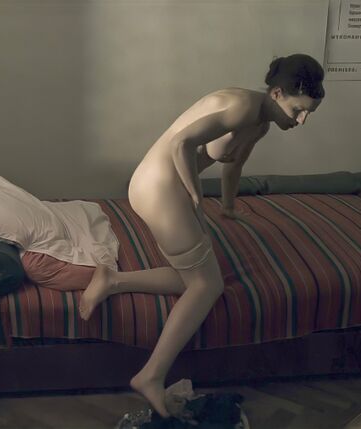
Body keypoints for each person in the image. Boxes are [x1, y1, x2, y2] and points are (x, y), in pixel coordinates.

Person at [78, 53, 325, 418]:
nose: (302, 120)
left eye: (308, 114)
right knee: (207, 286)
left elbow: (233, 167)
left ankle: (113, 280)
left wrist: (227, 207)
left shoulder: (260, 123)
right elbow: (181, 144)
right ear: (277, 93)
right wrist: (196, 197)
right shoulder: (242, 107)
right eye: (298, 110)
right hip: (160, 188)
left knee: (198, 279)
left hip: (167, 188)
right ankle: (150, 376)